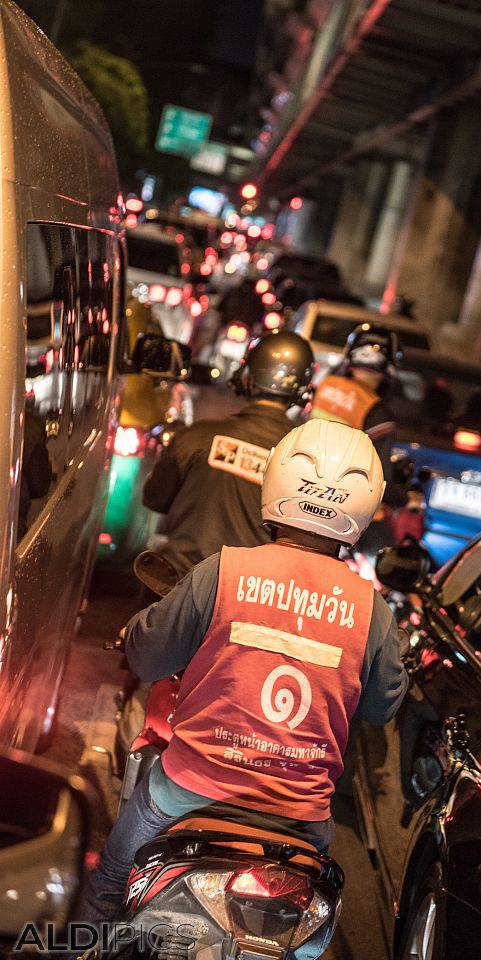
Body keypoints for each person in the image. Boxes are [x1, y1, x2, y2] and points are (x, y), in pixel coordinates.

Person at [77, 418, 409, 924]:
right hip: (301, 820)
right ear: (364, 506)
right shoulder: (372, 609)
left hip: (190, 790)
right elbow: (383, 704)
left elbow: (148, 656)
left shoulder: (224, 570)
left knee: (108, 885)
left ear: (276, 480)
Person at [143, 330, 315, 577]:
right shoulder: (306, 464)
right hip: (249, 596)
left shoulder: (196, 436)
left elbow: (154, 498)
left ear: (246, 375)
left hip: (180, 581)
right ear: (303, 389)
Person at [310, 323, 404, 554]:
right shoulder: (377, 413)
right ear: (390, 365)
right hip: (343, 505)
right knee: (387, 559)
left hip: (303, 487)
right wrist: (403, 498)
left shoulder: (324, 386)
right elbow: (382, 480)